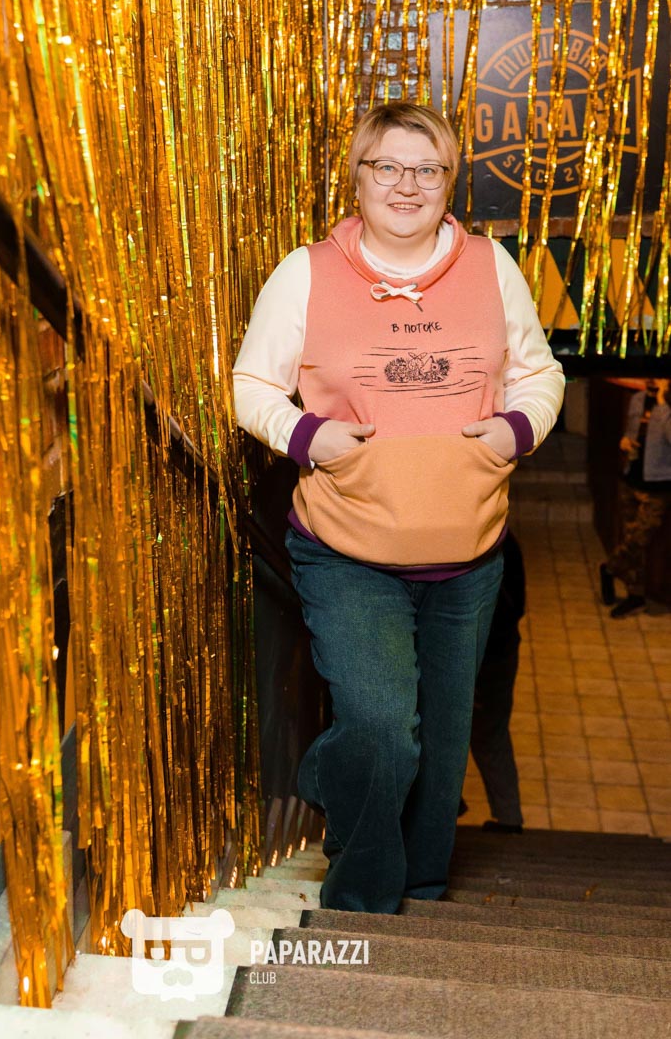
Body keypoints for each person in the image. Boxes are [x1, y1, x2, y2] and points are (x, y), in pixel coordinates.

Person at [233, 102, 565, 913]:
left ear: (449, 182)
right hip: (347, 547)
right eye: (386, 166)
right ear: (357, 178)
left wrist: (514, 430)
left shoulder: (491, 266)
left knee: (441, 748)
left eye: (426, 169)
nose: (405, 185)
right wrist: (309, 436)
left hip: (469, 553)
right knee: (383, 729)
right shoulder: (305, 271)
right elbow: (252, 385)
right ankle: (361, 900)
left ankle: (420, 886)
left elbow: (538, 372)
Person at [469, 529, 526, 833]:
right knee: (492, 735)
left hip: (488, 656)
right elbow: (518, 606)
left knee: (486, 734)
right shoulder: (507, 541)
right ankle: (509, 819)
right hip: (502, 651)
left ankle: (508, 820)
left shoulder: (483, 547)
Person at [600, 378, 671, 619]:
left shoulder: (667, 405)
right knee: (633, 538)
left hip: (658, 484)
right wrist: (625, 441)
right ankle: (636, 595)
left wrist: (663, 404)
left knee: (640, 537)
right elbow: (630, 433)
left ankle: (610, 568)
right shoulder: (638, 399)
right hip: (631, 477)